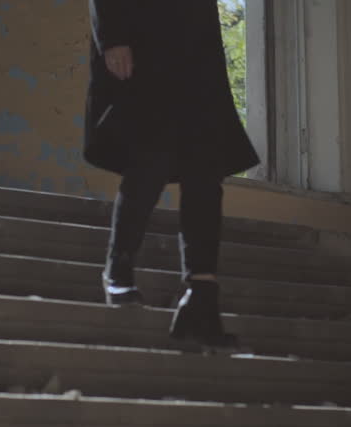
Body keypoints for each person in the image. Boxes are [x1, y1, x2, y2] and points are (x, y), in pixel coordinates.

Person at [83, 0, 260, 347]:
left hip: (196, 45)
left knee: (206, 168)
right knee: (151, 159)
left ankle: (202, 293)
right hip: (144, 38)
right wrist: (112, 36)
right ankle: (118, 271)